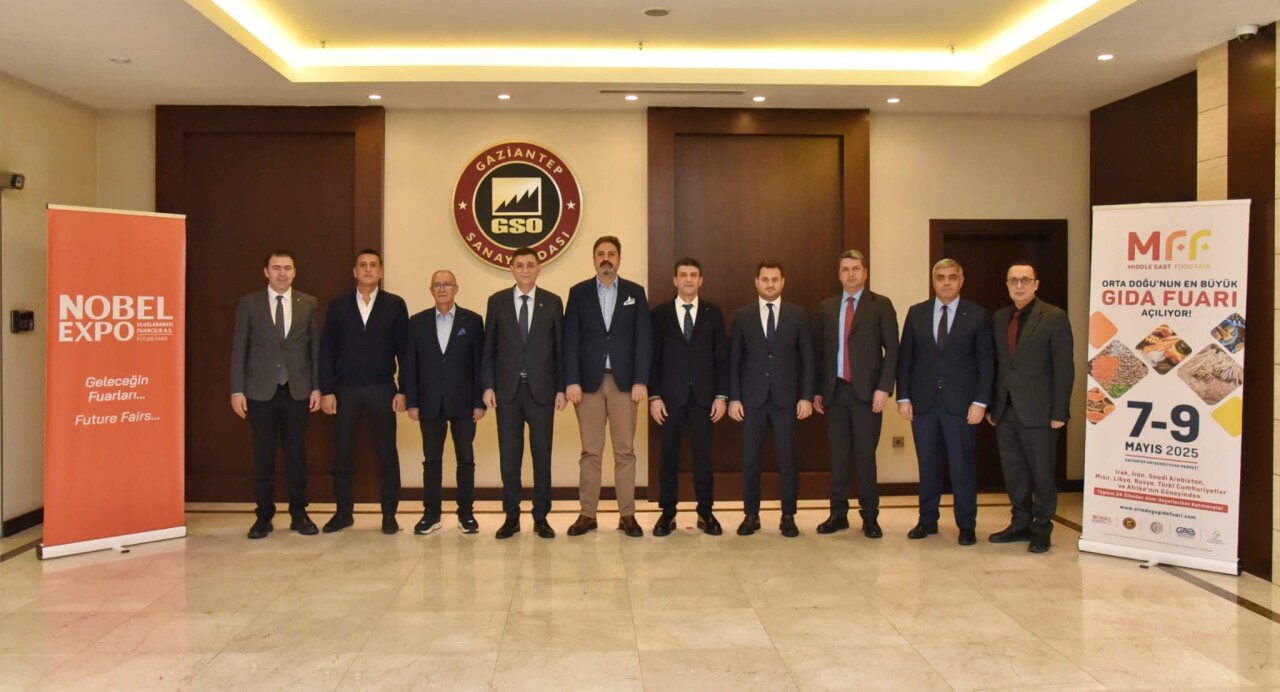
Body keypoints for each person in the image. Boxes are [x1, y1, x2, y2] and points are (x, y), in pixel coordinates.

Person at [897, 258, 994, 545]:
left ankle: (966, 525)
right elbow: (906, 358)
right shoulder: (917, 313)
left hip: (962, 406)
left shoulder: (977, 315)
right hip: (923, 404)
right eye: (941, 278)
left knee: (962, 467)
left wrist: (981, 402)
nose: (947, 282)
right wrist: (903, 396)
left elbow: (986, 362)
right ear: (934, 281)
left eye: (952, 277)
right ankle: (927, 521)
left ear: (961, 280)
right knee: (927, 465)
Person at [563, 235, 652, 537]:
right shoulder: (578, 293)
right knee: (591, 451)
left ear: (619, 259)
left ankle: (627, 515)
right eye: (600, 253)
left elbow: (644, 339)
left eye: (611, 254)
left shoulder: (635, 293)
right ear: (593, 259)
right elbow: (570, 339)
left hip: (625, 384)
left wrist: (641, 380)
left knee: (625, 451)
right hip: (587, 385)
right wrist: (571, 380)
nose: (606, 258)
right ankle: (587, 514)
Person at [230, 250, 322, 539]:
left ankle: (299, 514)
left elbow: (315, 348)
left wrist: (317, 386)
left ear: (295, 272)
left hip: (297, 390)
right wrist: (237, 389)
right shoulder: (249, 303)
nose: (282, 273)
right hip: (260, 392)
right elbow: (239, 348)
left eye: (287, 268)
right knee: (264, 456)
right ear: (266, 272)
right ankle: (263, 516)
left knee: (297, 455)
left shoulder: (308, 303)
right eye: (276, 268)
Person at [318, 249, 410, 535]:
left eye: (373, 265)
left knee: (387, 453)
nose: (368, 269)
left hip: (382, 389)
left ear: (380, 272)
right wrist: (327, 390)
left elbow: (405, 351)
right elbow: (327, 350)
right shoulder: (339, 305)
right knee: (343, 453)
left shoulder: (395, 305)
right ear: (354, 272)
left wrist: (404, 389)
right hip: (345, 390)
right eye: (362, 265)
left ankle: (389, 515)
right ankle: (343, 513)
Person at [987, 261, 1074, 553]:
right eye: (1014, 280)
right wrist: (993, 405)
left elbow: (1064, 368)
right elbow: (996, 365)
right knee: (1015, 473)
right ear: (1007, 285)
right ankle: (1020, 524)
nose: (1019, 285)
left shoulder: (1054, 317)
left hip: (1041, 413)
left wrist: (1059, 412)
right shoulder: (1000, 317)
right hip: (1006, 411)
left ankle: (1042, 528)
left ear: (1036, 284)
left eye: (1025, 280)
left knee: (1042, 475)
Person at [812, 249, 898, 539]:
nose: (851, 274)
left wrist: (884, 387)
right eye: (845, 269)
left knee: (865, 458)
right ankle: (838, 514)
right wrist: (817, 390)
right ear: (839, 274)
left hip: (867, 395)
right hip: (835, 393)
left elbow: (893, 350)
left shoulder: (881, 305)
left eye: (856, 269)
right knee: (837, 458)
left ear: (865, 272)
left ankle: (870, 516)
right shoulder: (827, 308)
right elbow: (820, 352)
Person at [482, 247, 565, 539]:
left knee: (542, 457)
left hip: (542, 392)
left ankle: (541, 517)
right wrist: (488, 386)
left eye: (531, 265)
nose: (525, 270)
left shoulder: (553, 302)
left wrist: (561, 388)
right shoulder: (497, 302)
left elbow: (560, 350)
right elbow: (489, 348)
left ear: (539, 269)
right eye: (520, 265)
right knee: (510, 458)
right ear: (511, 269)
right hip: (507, 392)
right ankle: (511, 517)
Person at [728, 260, 815, 538]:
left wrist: (806, 396)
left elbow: (808, 359)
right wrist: (734, 398)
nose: (770, 284)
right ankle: (751, 515)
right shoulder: (743, 316)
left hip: (786, 400)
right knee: (750, 460)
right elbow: (734, 361)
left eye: (775, 279)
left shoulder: (797, 315)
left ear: (783, 282)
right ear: (756, 282)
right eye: (765, 279)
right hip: (751, 400)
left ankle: (788, 516)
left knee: (788, 460)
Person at [648, 257, 729, 536]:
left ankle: (705, 512)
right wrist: (654, 396)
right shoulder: (659, 314)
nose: (689, 279)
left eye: (694, 275)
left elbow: (721, 358)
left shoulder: (712, 313)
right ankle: (667, 513)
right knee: (668, 458)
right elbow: (653, 360)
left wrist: (721, 396)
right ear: (675, 280)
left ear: (701, 280)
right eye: (683, 275)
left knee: (703, 458)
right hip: (669, 400)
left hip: (704, 399)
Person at [402, 270, 485, 536]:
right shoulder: (417, 322)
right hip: (429, 402)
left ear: (456, 288)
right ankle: (431, 514)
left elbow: (480, 364)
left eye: (447, 284)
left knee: (466, 459)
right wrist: (412, 401)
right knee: (431, 460)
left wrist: (479, 402)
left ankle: (466, 513)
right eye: (437, 285)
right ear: (431, 290)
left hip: (464, 402)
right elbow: (410, 364)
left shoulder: (473, 321)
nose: (442, 289)